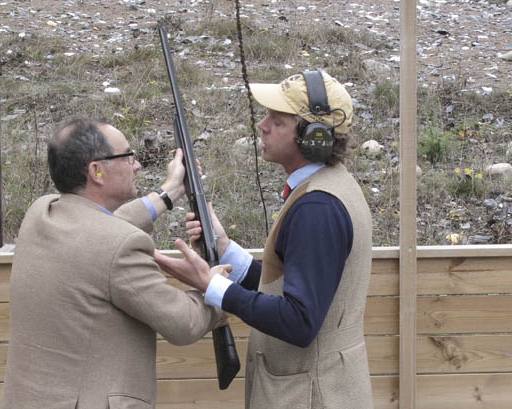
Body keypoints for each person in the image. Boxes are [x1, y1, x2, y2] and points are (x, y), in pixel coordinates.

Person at [155, 70, 373, 409]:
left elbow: (299, 321)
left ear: (312, 137)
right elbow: (292, 288)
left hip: (310, 396)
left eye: (277, 119)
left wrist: (213, 287)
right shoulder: (328, 188)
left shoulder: (317, 207)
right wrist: (226, 249)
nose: (263, 125)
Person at [2, 117, 229, 409]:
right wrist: (216, 287)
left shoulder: (41, 213)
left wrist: (170, 191)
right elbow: (183, 323)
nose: (136, 165)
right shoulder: (119, 248)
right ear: (96, 171)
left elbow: (98, 230)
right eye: (127, 156)